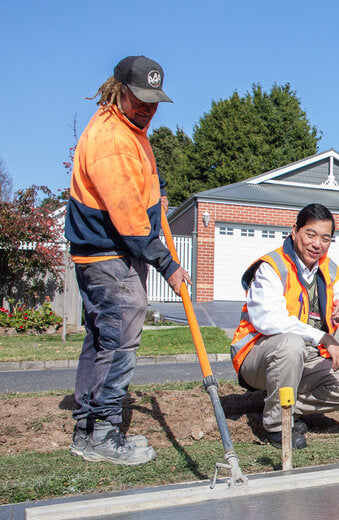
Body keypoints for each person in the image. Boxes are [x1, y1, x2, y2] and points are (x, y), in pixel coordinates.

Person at [65, 56, 190, 465]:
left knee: (102, 340)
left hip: (106, 253)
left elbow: (140, 184)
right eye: (141, 99)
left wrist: (159, 188)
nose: (148, 108)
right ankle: (102, 432)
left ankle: (88, 431)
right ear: (118, 90)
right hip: (109, 255)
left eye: (154, 101)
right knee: (120, 340)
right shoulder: (112, 140)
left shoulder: (128, 128)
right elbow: (131, 222)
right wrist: (169, 265)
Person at [230, 204, 339, 449]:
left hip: (306, 358)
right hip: (257, 357)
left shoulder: (329, 269)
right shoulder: (271, 267)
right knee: (291, 343)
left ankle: (284, 405)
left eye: (325, 238)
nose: (317, 244)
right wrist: (324, 338)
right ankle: (277, 425)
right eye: (311, 235)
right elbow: (269, 319)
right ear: (294, 231)